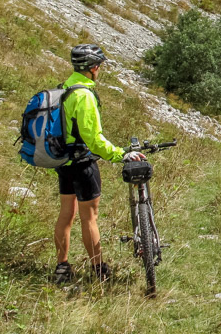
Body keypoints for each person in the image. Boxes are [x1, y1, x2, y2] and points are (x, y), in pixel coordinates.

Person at [53, 44, 145, 284]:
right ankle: (98, 269)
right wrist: (120, 155)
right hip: (83, 163)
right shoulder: (84, 95)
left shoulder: (64, 88)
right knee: (89, 218)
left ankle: (62, 266)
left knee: (66, 214)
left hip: (63, 161)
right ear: (94, 68)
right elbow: (93, 139)